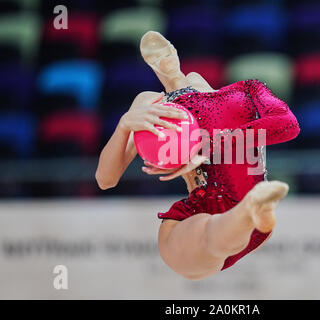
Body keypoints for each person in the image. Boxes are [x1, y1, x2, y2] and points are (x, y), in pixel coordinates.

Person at [96, 31, 300, 280]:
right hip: (200, 210)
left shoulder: (233, 91)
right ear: (149, 66)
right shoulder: (151, 103)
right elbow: (105, 179)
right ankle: (248, 213)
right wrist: (125, 124)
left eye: (165, 48)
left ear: (176, 52)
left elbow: (287, 125)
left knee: (219, 236)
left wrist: (205, 146)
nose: (161, 56)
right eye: (153, 55)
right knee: (209, 236)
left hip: (241, 193)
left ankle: (249, 211)